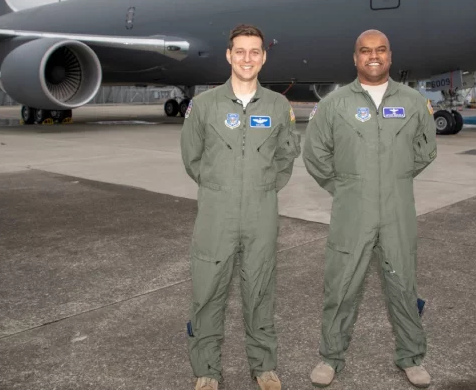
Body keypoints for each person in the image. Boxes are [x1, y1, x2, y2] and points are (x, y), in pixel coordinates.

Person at [302, 29, 437, 388]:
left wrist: (396, 178)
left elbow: (426, 150)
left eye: (380, 50)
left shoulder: (412, 101)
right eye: (365, 51)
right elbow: (314, 154)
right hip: (351, 213)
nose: (372, 56)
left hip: (397, 212)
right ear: (355, 58)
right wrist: (345, 188)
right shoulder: (334, 104)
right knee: (341, 286)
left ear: (390, 56)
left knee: (403, 285)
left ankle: (411, 357)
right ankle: (330, 357)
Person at [180, 24, 301, 390]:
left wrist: (262, 188)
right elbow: (192, 158)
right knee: (208, 290)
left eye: (254, 52)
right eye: (240, 51)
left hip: (261, 212)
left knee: (261, 288)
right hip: (216, 213)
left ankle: (263, 366)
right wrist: (221, 187)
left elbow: (286, 157)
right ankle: (206, 369)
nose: (247, 58)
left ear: (263, 57)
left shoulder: (279, 106)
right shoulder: (203, 105)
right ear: (229, 55)